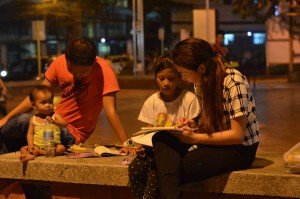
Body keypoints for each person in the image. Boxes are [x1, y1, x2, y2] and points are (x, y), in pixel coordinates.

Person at [151, 38, 259, 199]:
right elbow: (208, 122)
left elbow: (237, 135)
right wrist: (193, 125)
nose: (183, 78)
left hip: (239, 149)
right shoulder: (201, 83)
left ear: (201, 68)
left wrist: (194, 137)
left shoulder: (233, 82)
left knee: (177, 167)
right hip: (213, 139)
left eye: (184, 74)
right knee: (161, 137)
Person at [0, 37, 135, 155]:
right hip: (51, 122)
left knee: (23, 120)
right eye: (71, 69)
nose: (76, 74)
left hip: (71, 134)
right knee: (11, 132)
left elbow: (110, 111)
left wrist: (127, 143)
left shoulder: (104, 70)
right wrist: (5, 119)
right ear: (66, 59)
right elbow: (35, 98)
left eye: (82, 71)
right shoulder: (59, 63)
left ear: (93, 63)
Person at [128, 52, 200, 199]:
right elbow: (148, 131)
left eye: (171, 79)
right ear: (155, 78)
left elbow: (196, 128)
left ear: (179, 77)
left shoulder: (189, 99)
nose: (166, 83)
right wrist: (143, 146)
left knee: (156, 170)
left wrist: (189, 126)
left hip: (181, 148)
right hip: (155, 150)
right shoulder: (152, 101)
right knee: (135, 167)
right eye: (161, 78)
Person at [19, 85, 67, 163]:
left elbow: (65, 124)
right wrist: (31, 145)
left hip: (53, 146)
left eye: (50, 101)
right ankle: (27, 155)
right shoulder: (33, 119)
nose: (48, 105)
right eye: (43, 102)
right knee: (23, 148)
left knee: (61, 148)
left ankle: (40, 153)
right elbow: (30, 134)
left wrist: (55, 122)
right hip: (37, 146)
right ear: (34, 105)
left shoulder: (55, 116)